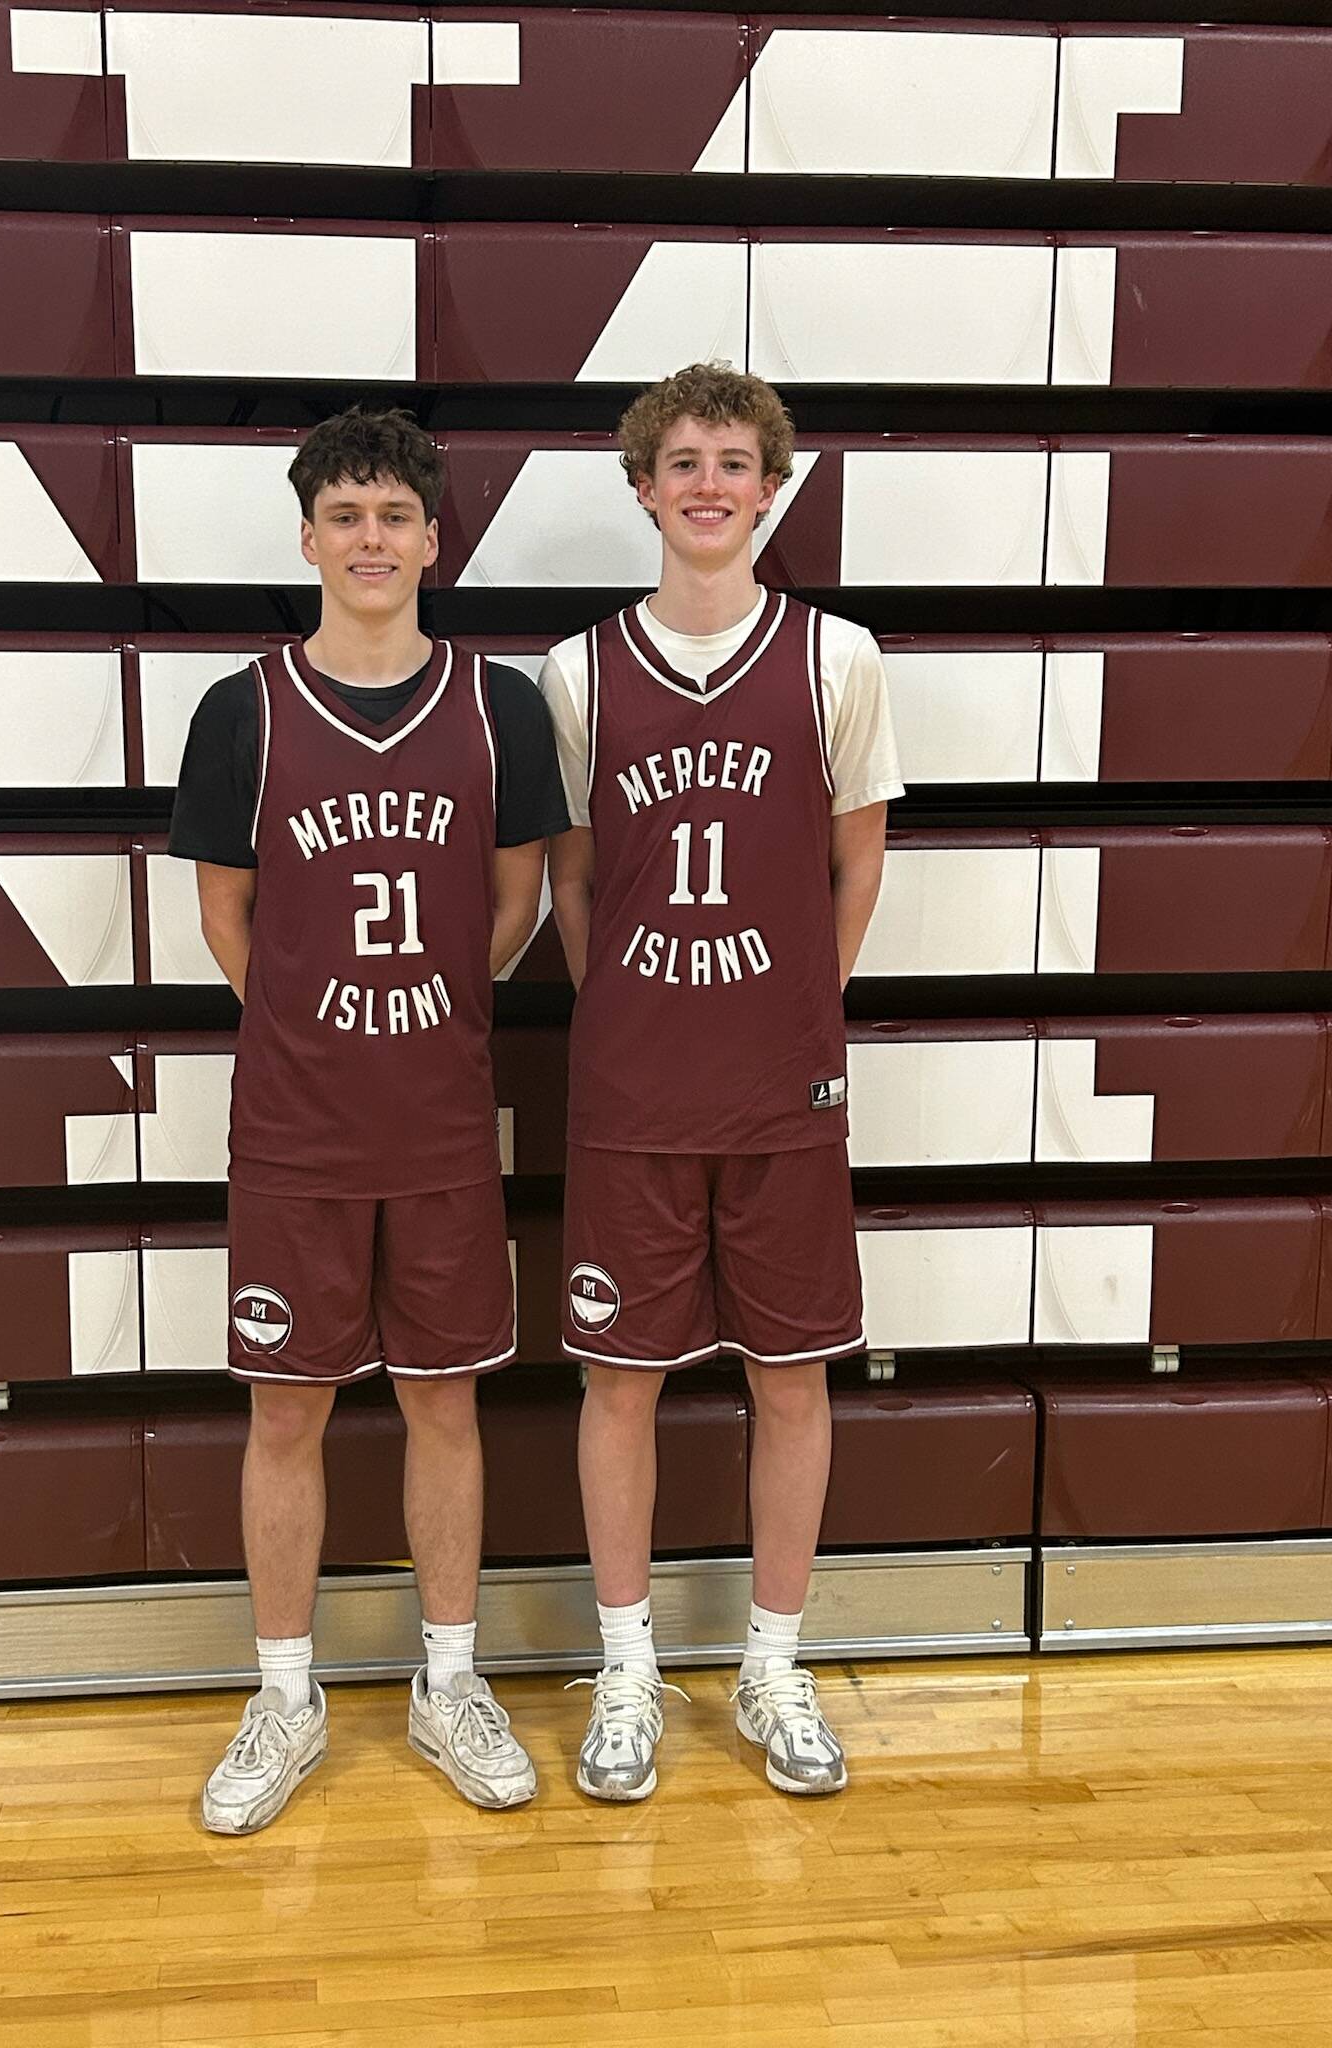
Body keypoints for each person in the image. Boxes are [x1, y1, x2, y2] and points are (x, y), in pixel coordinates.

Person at [170, 407, 569, 1833]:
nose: (372, 538)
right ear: (308, 538)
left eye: (395, 515)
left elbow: (515, 899)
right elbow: (229, 919)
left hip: (444, 1126)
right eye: (346, 515)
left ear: (434, 539)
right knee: (286, 1413)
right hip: (295, 1130)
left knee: (443, 1403)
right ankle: (285, 1696)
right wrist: (319, 1016)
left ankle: (446, 1681)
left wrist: (424, 1015)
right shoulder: (244, 712)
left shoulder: (499, 706)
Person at [542, 363, 904, 1800]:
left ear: (773, 488)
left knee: (794, 1375)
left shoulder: (837, 655)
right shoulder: (580, 672)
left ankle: (769, 1664)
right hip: (633, 1089)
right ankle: (627, 1667)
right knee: (616, 1381)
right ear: (643, 488)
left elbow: (858, 860)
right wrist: (637, 1013)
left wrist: (793, 1009)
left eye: (734, 462)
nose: (707, 483)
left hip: (779, 1085)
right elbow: (573, 882)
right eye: (680, 460)